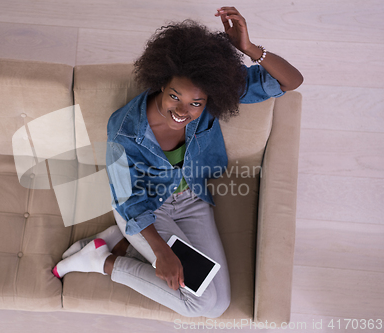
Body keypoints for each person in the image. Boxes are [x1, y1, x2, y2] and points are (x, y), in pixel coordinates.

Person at [52, 6, 303, 318]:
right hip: (146, 210)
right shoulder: (125, 129)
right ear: (161, 83)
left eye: (196, 103)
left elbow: (292, 81)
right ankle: (102, 261)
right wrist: (161, 252)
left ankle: (119, 247)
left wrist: (249, 48)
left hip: (192, 201)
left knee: (217, 305)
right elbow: (127, 198)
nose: (183, 110)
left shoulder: (210, 94)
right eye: (175, 96)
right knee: (202, 304)